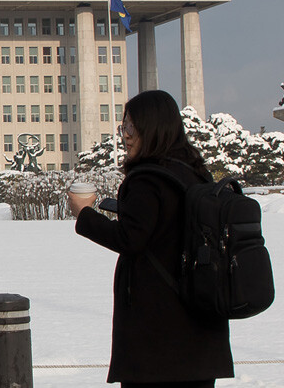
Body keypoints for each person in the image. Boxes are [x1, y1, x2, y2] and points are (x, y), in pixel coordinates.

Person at [67, 90, 233, 388]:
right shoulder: (196, 174)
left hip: (158, 340)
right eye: (124, 126)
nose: (125, 135)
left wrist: (84, 214)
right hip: (201, 329)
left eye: (131, 126)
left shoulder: (148, 179)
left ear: (152, 127)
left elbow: (131, 238)